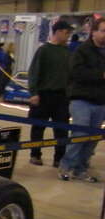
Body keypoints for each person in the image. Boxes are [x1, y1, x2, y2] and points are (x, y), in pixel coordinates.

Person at [58, 17, 105, 182]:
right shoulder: (82, 50)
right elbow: (76, 73)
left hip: (101, 102)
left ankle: (81, 168)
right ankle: (66, 166)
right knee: (80, 133)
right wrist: (101, 75)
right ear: (94, 32)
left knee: (93, 138)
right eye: (103, 31)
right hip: (81, 100)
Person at [27, 20, 72, 167]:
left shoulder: (67, 52)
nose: (68, 36)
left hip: (62, 97)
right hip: (43, 95)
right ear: (58, 32)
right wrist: (33, 93)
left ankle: (59, 158)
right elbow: (34, 72)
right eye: (66, 32)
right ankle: (35, 154)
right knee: (38, 127)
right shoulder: (44, 50)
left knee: (61, 129)